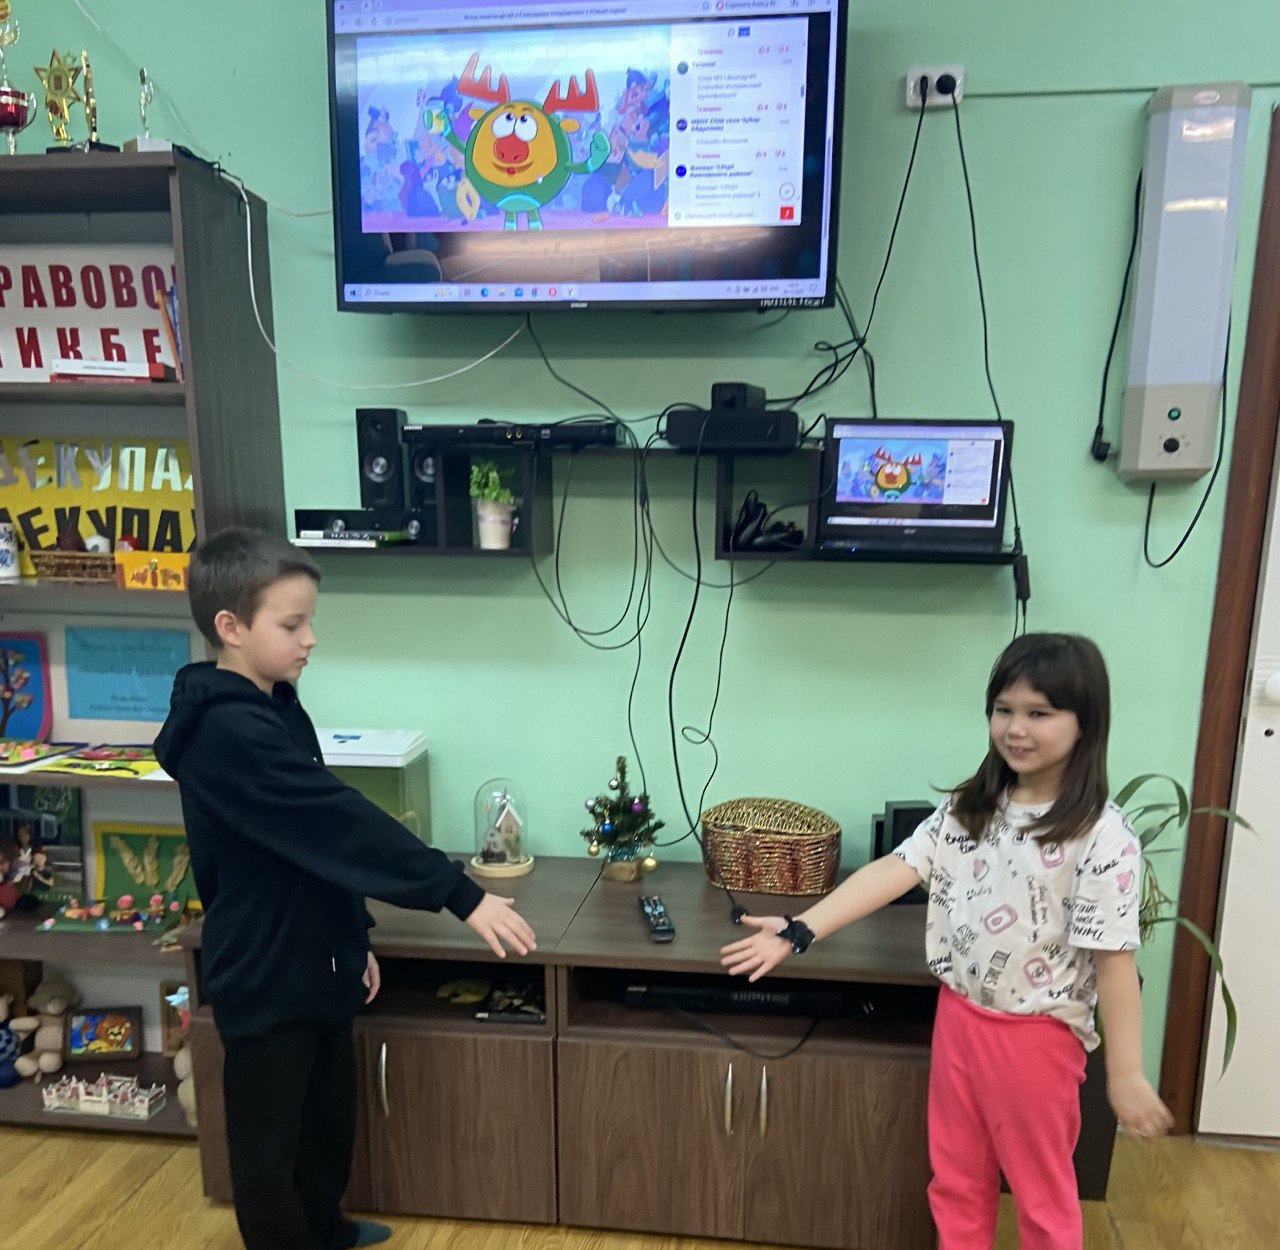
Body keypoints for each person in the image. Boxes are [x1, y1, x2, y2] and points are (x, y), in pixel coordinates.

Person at [721, 632, 1172, 1250]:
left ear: (1084, 723)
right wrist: (799, 930)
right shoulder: (969, 807)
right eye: (1003, 709)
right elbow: (894, 869)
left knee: (1042, 1197)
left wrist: (1126, 1074)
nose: (1016, 728)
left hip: (1037, 1042)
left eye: (1039, 712)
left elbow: (1115, 965)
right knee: (956, 1180)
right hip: (958, 1019)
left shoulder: (1102, 836)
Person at [155, 528, 536, 1250]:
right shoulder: (225, 732)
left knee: (325, 1121)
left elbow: (313, 846)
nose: (310, 639)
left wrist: (351, 934)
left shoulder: (276, 703)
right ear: (230, 627)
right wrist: (460, 893)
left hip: (316, 957)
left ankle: (325, 1231)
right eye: (291, 624)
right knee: (270, 1148)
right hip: (264, 971)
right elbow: (337, 820)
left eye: (310, 621)